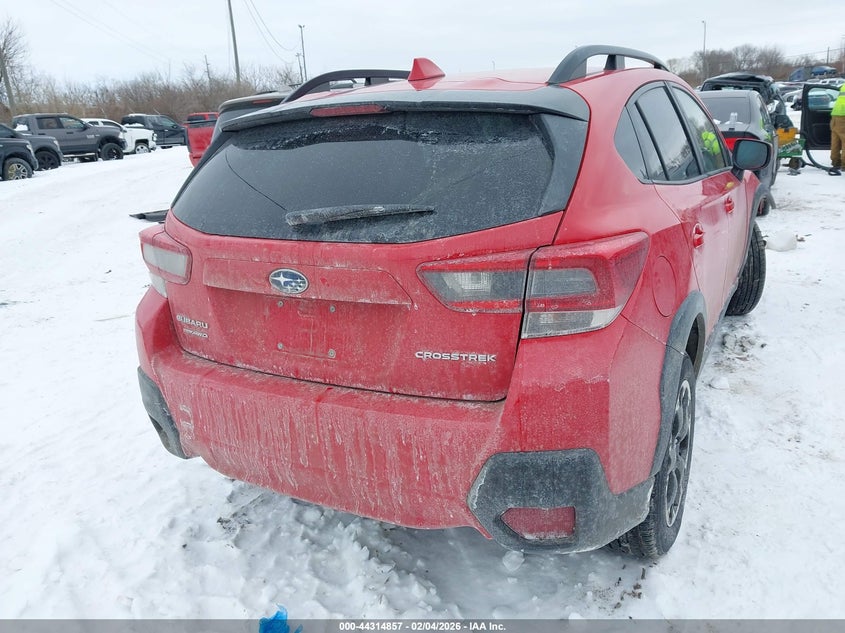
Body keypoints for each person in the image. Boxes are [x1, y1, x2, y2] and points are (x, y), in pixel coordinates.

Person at [830, 84, 845, 176]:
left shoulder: (843, 85)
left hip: (835, 114)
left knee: (836, 139)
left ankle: (835, 161)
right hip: (844, 115)